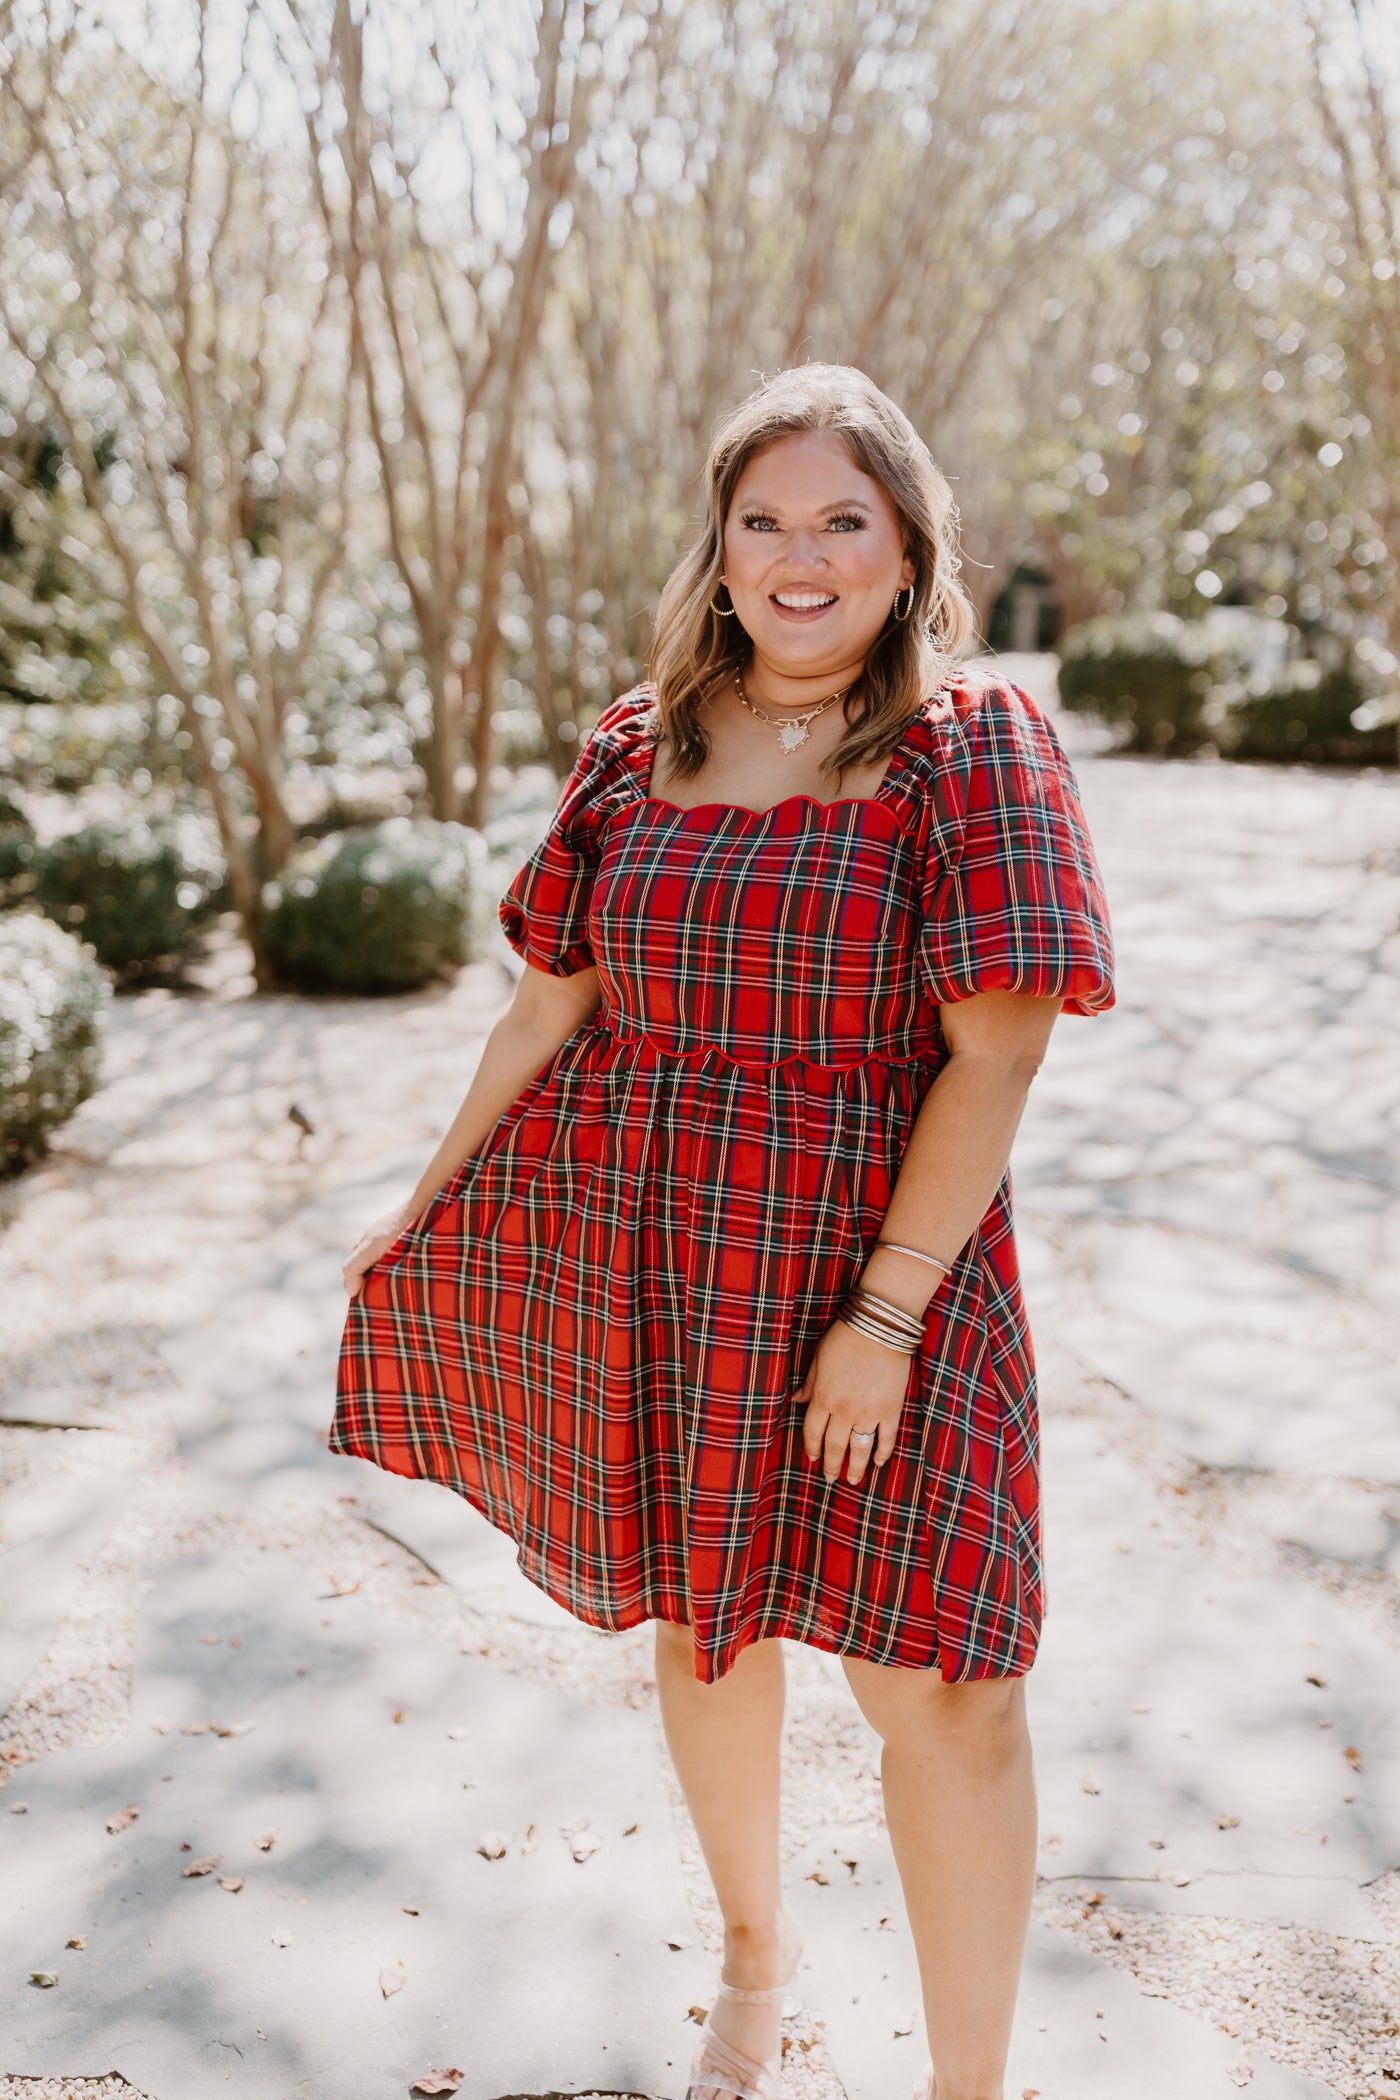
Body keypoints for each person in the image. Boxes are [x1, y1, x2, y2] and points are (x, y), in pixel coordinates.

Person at [331, 362, 1115, 2100]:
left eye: (844, 518)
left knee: (944, 1685)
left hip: (883, 1255)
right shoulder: (643, 743)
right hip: (666, 1259)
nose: (800, 554)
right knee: (712, 1628)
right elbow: (546, 1011)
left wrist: (887, 1318)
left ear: (909, 544)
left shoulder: (970, 747)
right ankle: (756, 1961)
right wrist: (426, 1201)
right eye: (765, 519)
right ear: (724, 543)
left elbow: (998, 1051)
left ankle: (966, 2088)